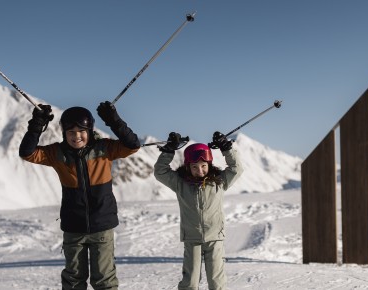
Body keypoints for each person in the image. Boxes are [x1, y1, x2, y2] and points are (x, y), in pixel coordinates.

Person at [19, 101, 141, 290]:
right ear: (64, 133)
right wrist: (37, 124)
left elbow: (132, 145)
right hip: (74, 227)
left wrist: (113, 120)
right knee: (74, 279)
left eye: (82, 131)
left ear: (90, 130)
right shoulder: (56, 153)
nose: (77, 136)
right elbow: (27, 153)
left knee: (104, 280)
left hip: (102, 226)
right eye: (71, 132)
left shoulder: (104, 149)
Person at [154, 132, 243, 290]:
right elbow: (160, 172)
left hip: (215, 237)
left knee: (217, 281)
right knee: (190, 281)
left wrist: (226, 148)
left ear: (209, 164)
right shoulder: (180, 183)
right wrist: (169, 150)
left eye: (203, 166)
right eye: (194, 167)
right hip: (192, 238)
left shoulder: (219, 182)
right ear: (188, 167)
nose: (200, 171)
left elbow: (236, 169)